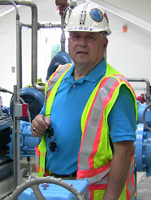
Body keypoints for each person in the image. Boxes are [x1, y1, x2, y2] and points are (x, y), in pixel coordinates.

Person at [31, 2, 137, 200]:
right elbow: (43, 118)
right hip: (52, 188)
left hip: (92, 194)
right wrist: (37, 124)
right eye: (76, 36)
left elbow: (124, 151)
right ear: (69, 41)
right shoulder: (57, 77)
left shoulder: (115, 89)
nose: (82, 42)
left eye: (90, 37)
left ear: (104, 45)